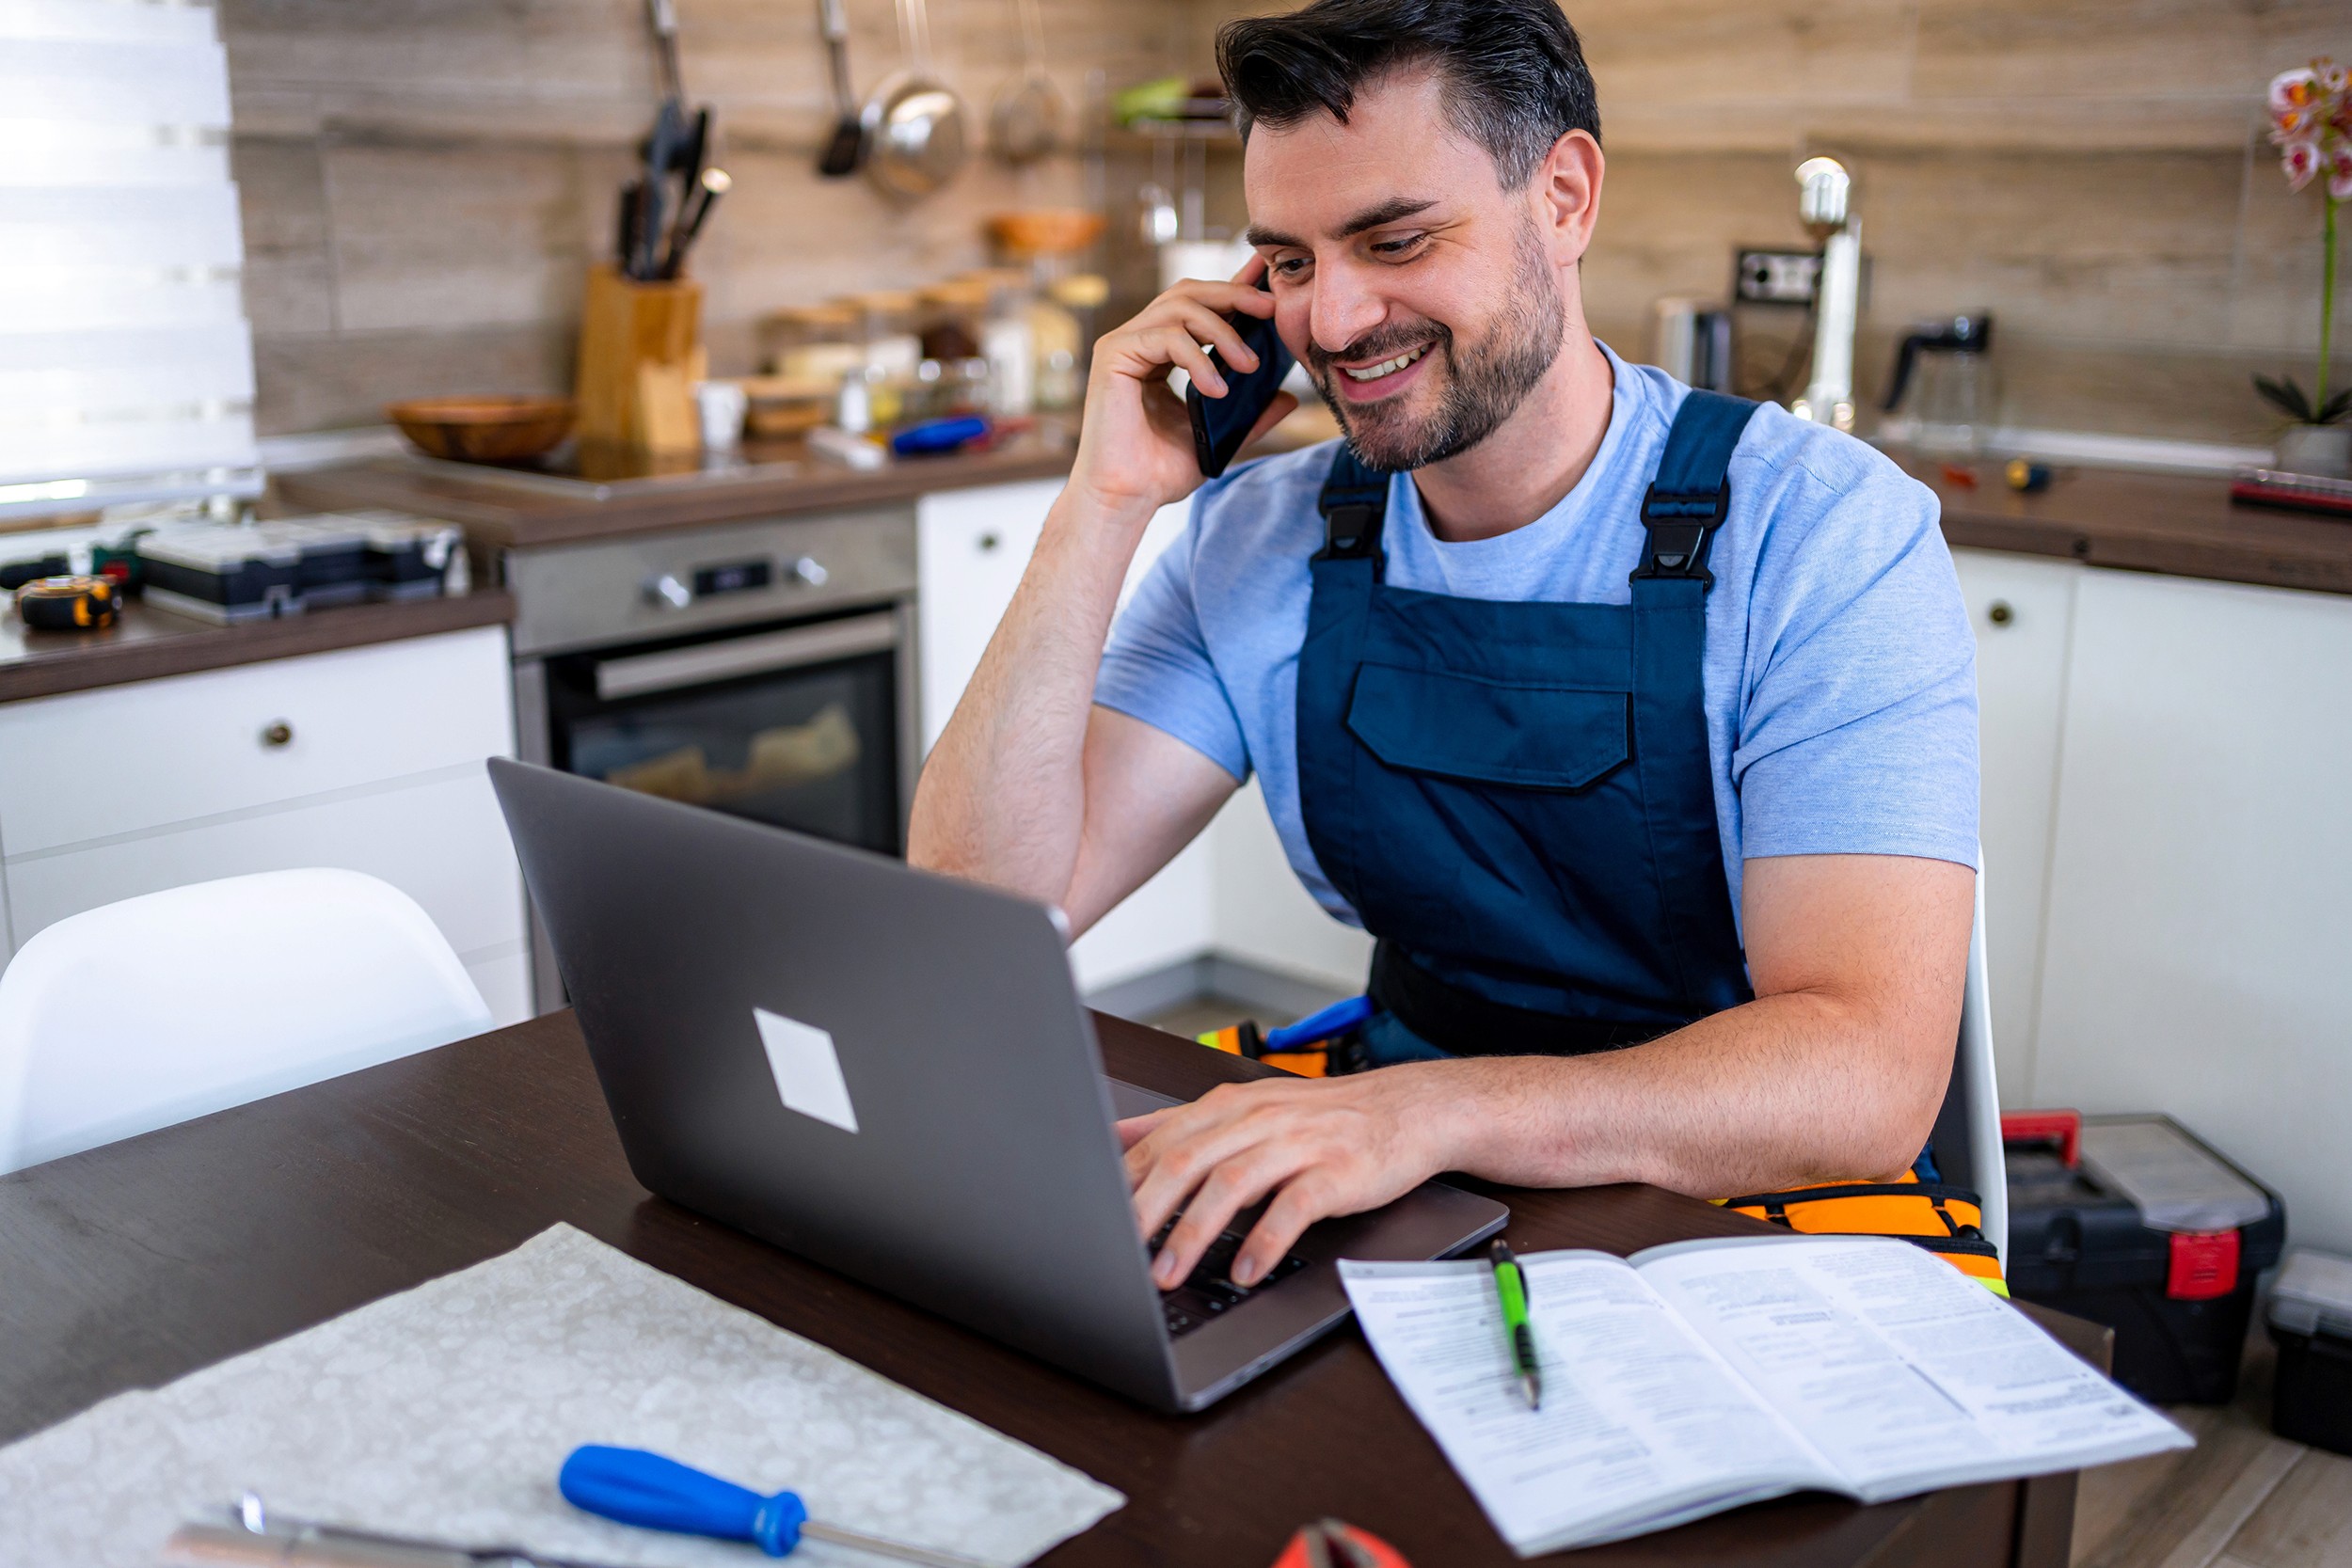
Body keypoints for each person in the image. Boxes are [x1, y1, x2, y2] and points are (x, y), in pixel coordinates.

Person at [910, 0, 1979, 1297]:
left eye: (1396, 238)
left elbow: (1866, 1080)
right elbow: (983, 912)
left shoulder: (1822, 532)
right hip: (1402, 1141)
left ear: (1567, 198)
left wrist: (1429, 1117)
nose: (1337, 322)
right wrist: (1104, 504)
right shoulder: (1259, 536)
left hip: (1734, 1178)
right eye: (1289, 263)